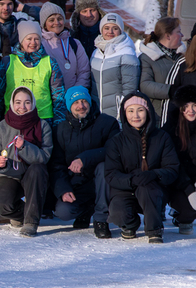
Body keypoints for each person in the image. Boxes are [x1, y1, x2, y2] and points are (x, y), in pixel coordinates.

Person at [105, 91, 179, 243]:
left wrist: (153, 175)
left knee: (147, 189)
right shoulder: (116, 141)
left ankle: (154, 229)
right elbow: (111, 174)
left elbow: (172, 168)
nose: (136, 115)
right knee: (118, 213)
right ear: (124, 114)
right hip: (125, 188)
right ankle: (130, 224)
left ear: (148, 111)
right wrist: (131, 180)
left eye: (140, 110)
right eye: (130, 111)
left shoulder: (161, 137)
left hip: (152, 187)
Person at [51, 86, 120, 238]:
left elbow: (114, 150)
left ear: (89, 102)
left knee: (103, 166)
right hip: (78, 184)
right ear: (69, 106)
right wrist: (63, 190)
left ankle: (101, 219)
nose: (81, 106)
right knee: (63, 211)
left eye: (84, 101)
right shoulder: (60, 130)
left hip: (103, 182)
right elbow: (56, 165)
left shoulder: (108, 123)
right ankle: (86, 210)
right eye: (76, 102)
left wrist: (84, 158)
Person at [0, 86, 53, 237]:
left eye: (27, 102)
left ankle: (30, 222)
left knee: (37, 169)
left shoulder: (43, 126)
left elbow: (45, 156)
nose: (22, 107)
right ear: (12, 103)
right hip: (10, 174)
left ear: (33, 104)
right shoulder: (1, 127)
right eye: (18, 102)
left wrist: (24, 147)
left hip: (32, 175)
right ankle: (18, 215)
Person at [0, 20, 67, 127]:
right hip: (13, 119)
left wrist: (58, 124)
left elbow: (58, 96)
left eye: (37, 39)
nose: (33, 42)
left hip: (43, 119)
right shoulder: (8, 62)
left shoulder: (50, 62)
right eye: (29, 39)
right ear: (21, 40)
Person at [90, 12, 140, 118]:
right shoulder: (96, 52)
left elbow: (129, 88)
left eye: (115, 28)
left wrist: (122, 112)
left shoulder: (126, 53)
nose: (110, 32)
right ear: (101, 30)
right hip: (96, 112)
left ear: (120, 30)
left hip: (116, 113)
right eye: (106, 28)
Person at [164, 85, 196, 235]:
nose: (191, 110)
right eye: (186, 106)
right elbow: (173, 165)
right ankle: (181, 217)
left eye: (195, 105)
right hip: (178, 183)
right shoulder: (170, 131)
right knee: (189, 209)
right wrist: (190, 190)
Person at [138, 17, 184, 116]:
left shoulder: (184, 57)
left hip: (181, 115)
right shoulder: (148, 57)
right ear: (168, 35)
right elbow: (145, 85)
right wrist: (171, 90)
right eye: (178, 32)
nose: (182, 35)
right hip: (158, 114)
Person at [39, 3, 90, 91]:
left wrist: (74, 93)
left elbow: (84, 72)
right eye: (51, 20)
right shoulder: (40, 44)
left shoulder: (74, 43)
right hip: (49, 97)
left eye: (60, 19)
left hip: (73, 97)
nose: (57, 23)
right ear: (44, 24)